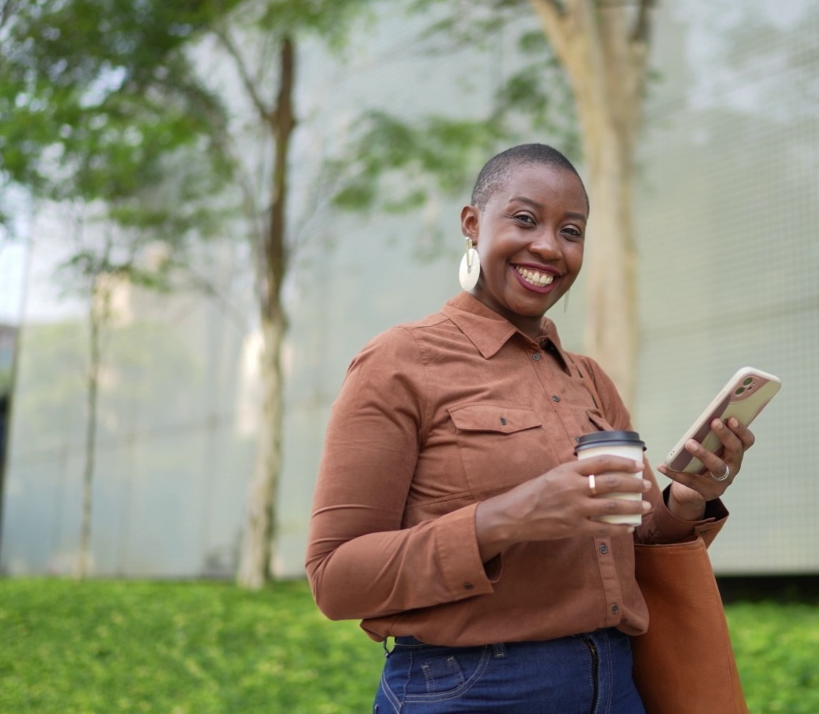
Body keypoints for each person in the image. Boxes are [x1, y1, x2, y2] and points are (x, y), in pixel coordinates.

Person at [305, 143, 756, 714]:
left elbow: (629, 542)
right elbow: (336, 578)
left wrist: (688, 500)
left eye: (571, 231)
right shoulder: (399, 362)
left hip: (618, 685)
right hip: (474, 689)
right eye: (525, 219)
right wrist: (508, 517)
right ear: (472, 225)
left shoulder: (590, 380)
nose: (548, 246)